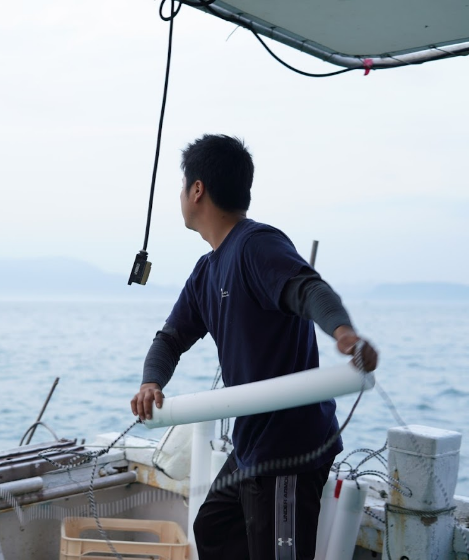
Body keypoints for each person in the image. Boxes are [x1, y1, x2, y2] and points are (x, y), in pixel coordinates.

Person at [129, 134, 378, 560]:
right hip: (252, 445)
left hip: (289, 451)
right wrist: (152, 381)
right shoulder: (206, 271)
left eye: (182, 185)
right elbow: (169, 339)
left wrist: (342, 332)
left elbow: (307, 288)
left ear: (197, 189)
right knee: (213, 527)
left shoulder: (256, 244)